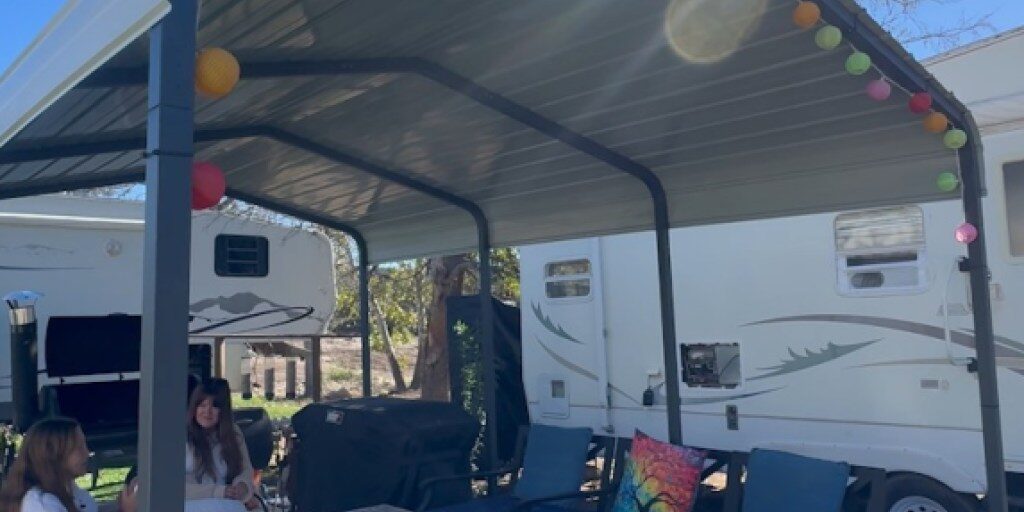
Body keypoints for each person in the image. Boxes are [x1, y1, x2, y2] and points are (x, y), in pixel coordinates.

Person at [0, 417, 137, 512]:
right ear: (53, 455)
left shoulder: (74, 492)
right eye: (78, 448)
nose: (87, 453)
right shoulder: (40, 503)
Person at [186, 378, 257, 511]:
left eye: (214, 406)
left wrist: (241, 487)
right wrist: (218, 491)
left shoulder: (233, 433)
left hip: (227, 502)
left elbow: (245, 469)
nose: (207, 412)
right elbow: (171, 485)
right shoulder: (181, 436)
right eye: (202, 405)